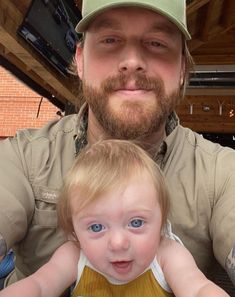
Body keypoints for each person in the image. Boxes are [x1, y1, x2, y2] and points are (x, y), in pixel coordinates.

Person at [0, 0, 234, 294]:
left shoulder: (223, 173)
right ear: (81, 60)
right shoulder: (23, 157)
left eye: (156, 42)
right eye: (110, 40)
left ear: (182, 69)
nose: (133, 59)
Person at [0, 140, 230, 297]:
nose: (118, 242)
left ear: (161, 222)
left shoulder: (167, 255)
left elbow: (197, 289)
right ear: (73, 232)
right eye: (97, 226)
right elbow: (39, 286)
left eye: (136, 223)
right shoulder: (74, 255)